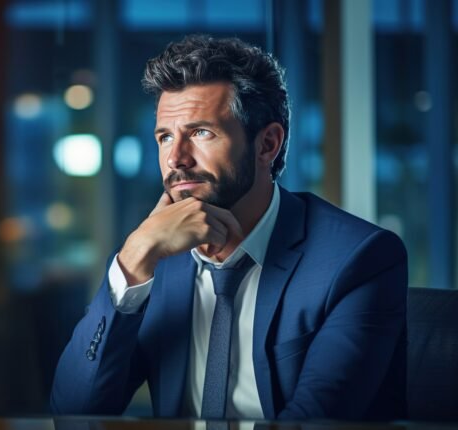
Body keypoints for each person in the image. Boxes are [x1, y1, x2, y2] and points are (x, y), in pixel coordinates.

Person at [50, 34, 407, 420]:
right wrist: (133, 259)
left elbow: (314, 421)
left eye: (201, 132)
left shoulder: (357, 259)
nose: (176, 159)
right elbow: (75, 412)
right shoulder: (154, 254)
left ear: (267, 144)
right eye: (165, 136)